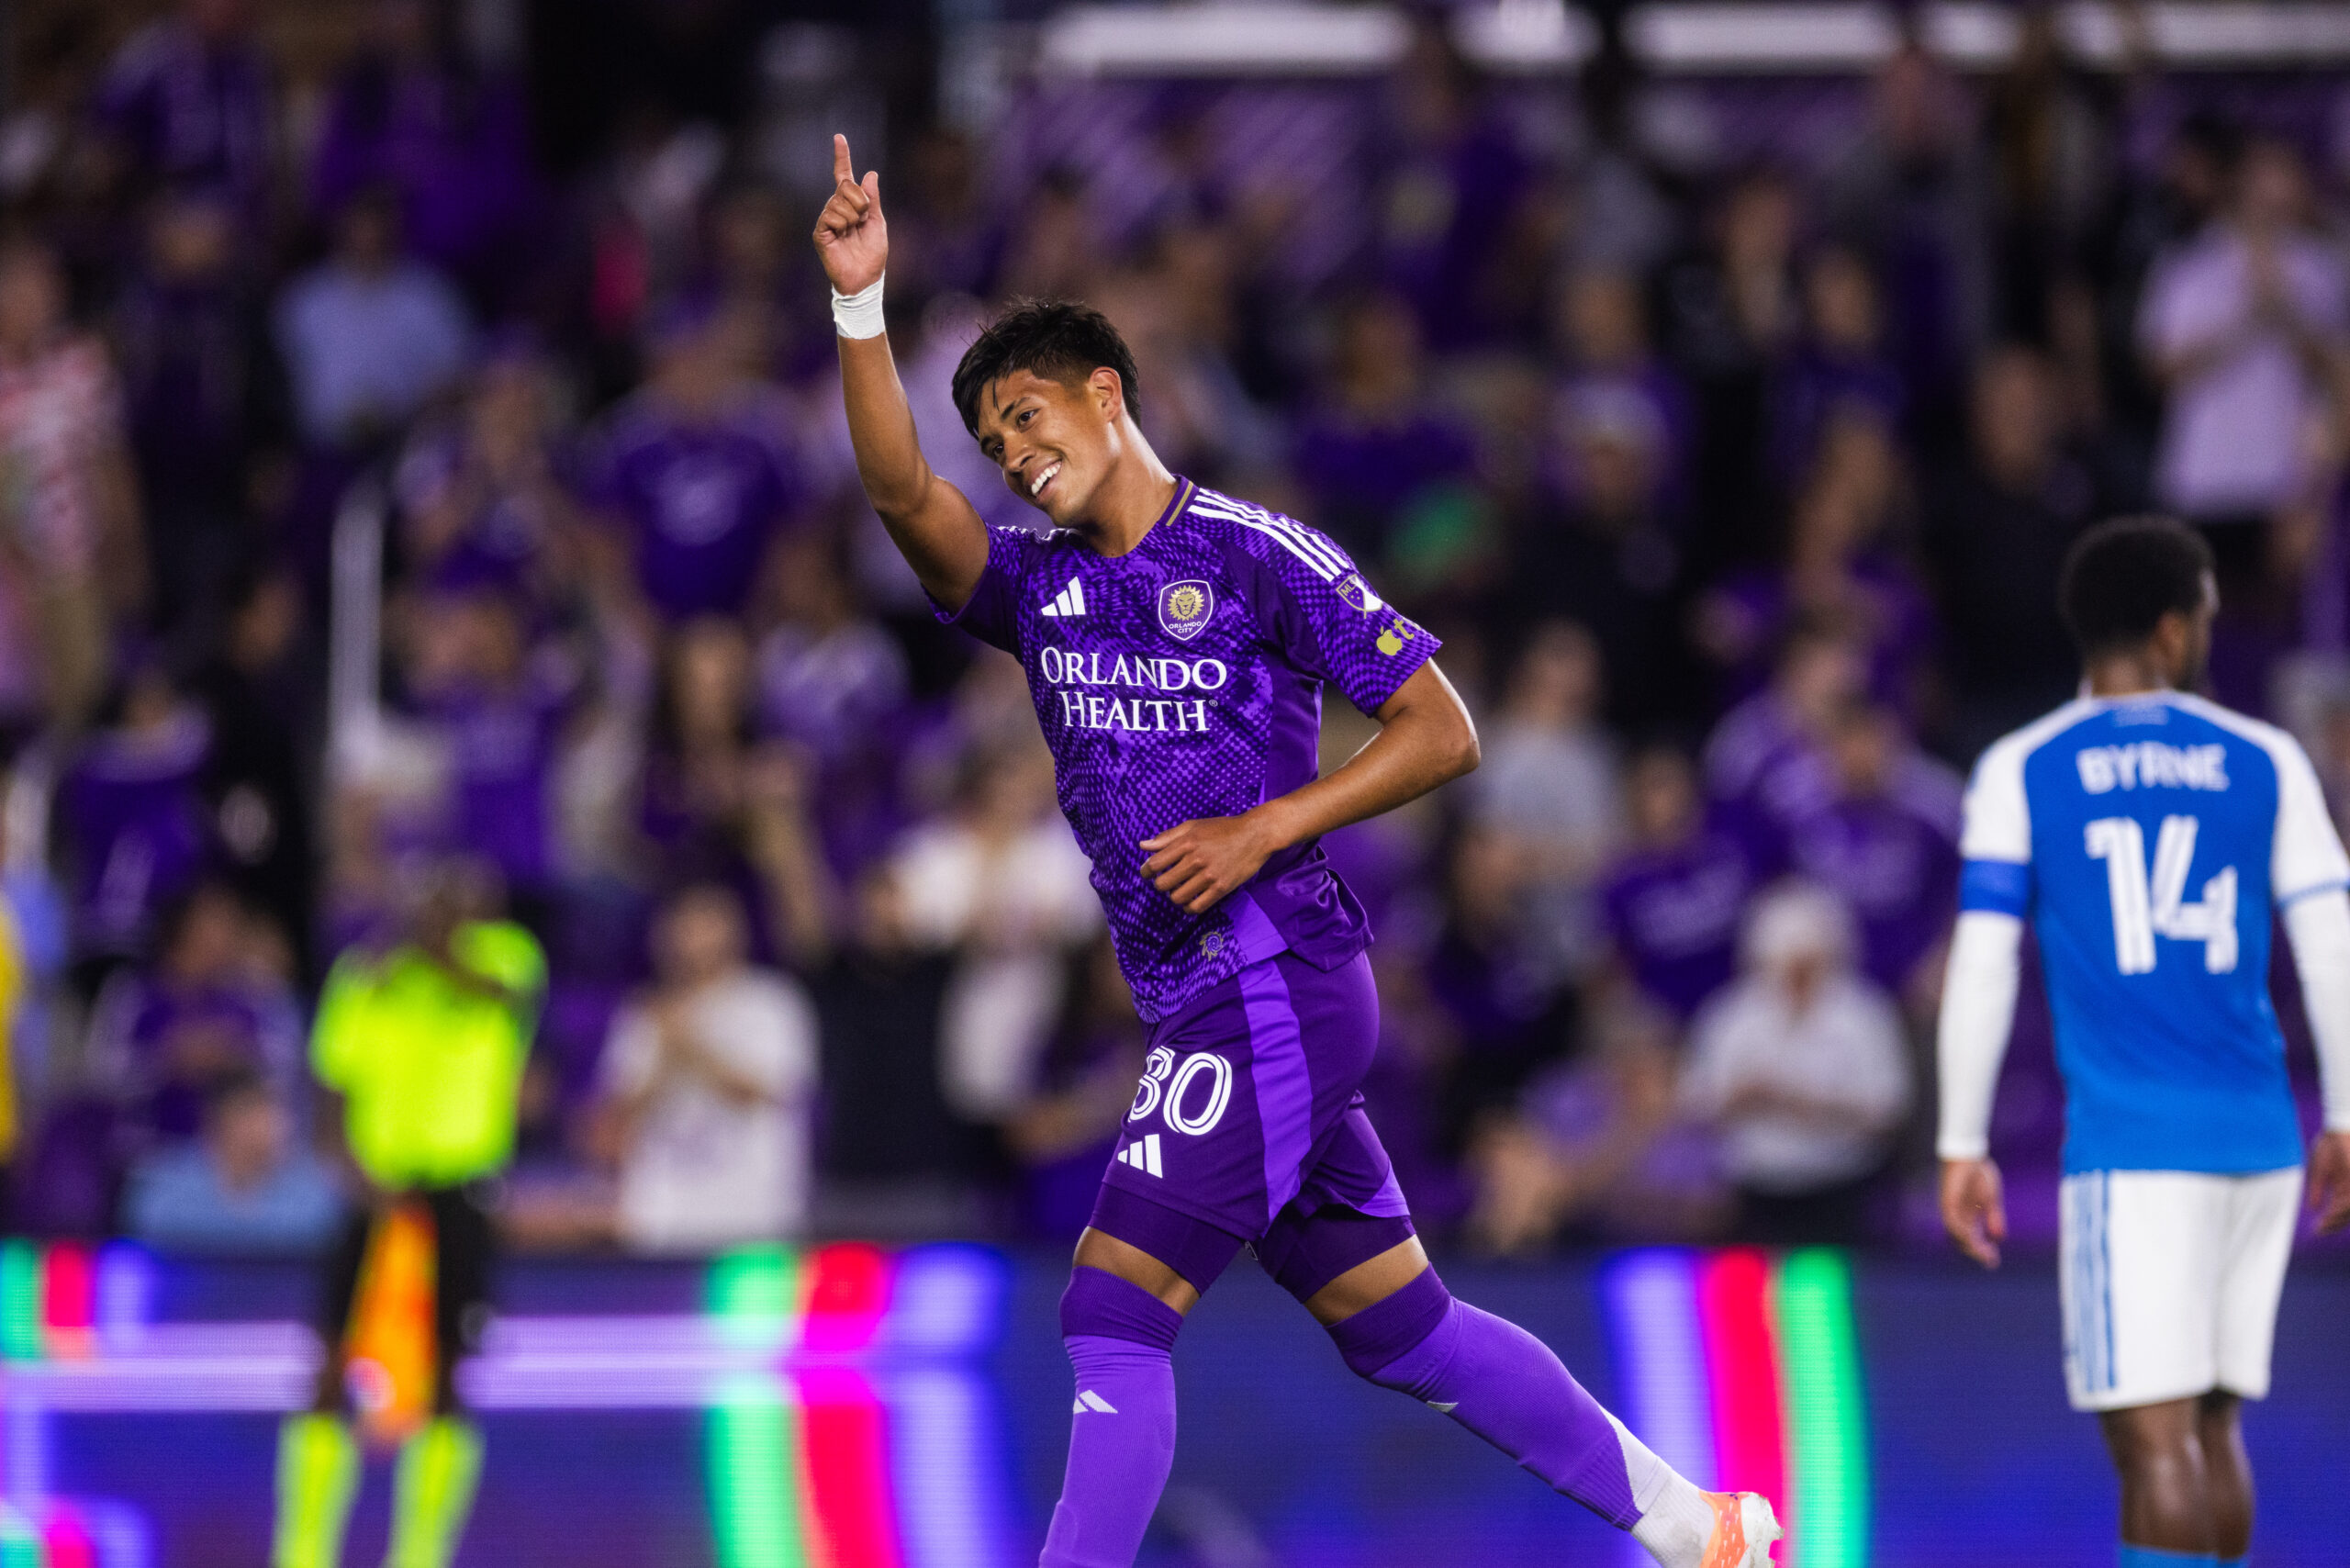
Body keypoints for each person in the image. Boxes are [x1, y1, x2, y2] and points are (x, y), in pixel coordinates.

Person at [813, 135, 1778, 1568]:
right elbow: (903, 498)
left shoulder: (1261, 556)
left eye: (1028, 417)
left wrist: (1269, 823)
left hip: (1269, 977)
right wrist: (858, 308)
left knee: (1114, 1310)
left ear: (1108, 392)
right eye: (997, 442)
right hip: (1218, 1000)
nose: (1016, 454)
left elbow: (1442, 728)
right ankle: (1707, 1527)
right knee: (1404, 1328)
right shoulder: (1035, 589)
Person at [1938, 517, 2350, 1568]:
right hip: (2259, 1141)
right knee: (2211, 1429)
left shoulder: (2021, 765)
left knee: (2153, 1447)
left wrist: (1959, 1142)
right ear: (2172, 629)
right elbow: (2334, 948)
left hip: (2133, 1151)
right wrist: (2344, 1115)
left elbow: (1983, 965)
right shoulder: (2267, 758)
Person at [273, 861, 544, 1568]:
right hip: (375, 1190)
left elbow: (502, 1001)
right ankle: (303, 1550)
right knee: (330, 1363)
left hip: (459, 1188)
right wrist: (354, 1174)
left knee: (451, 1370)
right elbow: (329, 1090)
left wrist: (438, 943)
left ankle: (421, 1553)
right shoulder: (366, 973)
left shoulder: (506, 956)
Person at [1679, 882, 1912, 1244]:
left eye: (1808, 962)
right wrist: (1744, 1098)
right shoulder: (1729, 1016)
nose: (1797, 976)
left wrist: (1805, 1106)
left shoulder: (1867, 1014)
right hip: (1752, 1191)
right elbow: (1695, 1105)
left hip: (1843, 1185)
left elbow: (1889, 1112)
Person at [591, 882, 817, 1253]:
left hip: (751, 1218)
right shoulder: (646, 1012)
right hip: (663, 1219)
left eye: (704, 923)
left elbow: (762, 1091)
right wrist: (663, 1060)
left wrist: (689, 1048)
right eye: (682, 925)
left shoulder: (770, 1002)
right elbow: (617, 1120)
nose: (691, 937)